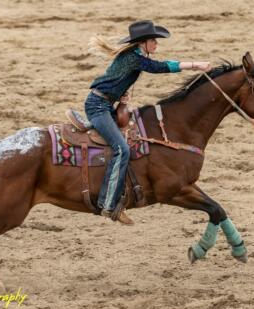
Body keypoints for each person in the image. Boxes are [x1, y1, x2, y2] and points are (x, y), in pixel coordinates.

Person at [85, 20, 211, 225]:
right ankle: (108, 204)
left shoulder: (133, 57)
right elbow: (159, 67)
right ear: (143, 42)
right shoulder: (134, 59)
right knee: (121, 149)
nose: (156, 44)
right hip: (98, 106)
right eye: (153, 40)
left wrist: (120, 97)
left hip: (105, 104)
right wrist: (195, 64)